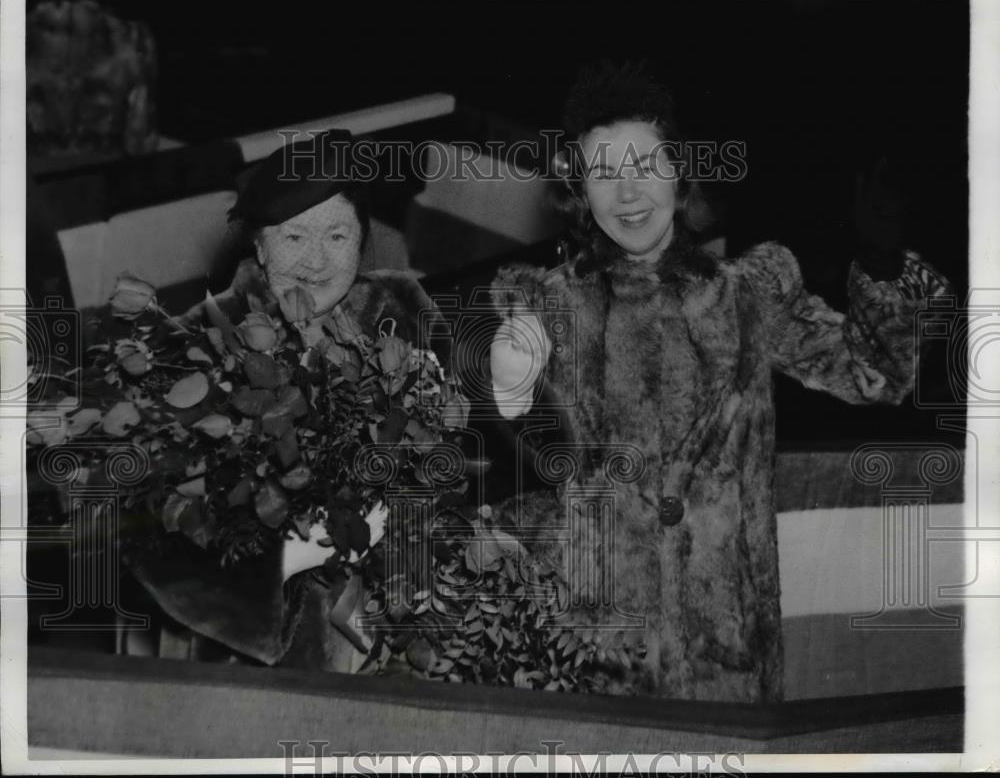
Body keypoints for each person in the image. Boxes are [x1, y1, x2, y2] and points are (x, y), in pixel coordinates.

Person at [485, 62, 950, 702]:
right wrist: (511, 375)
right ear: (579, 191)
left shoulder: (749, 296)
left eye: (645, 167)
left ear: (680, 175)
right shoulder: (548, 305)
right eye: (605, 174)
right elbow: (508, 415)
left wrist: (877, 263)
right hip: (595, 652)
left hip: (725, 653)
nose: (627, 193)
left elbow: (875, 378)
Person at [130, 129, 450, 671]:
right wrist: (288, 558)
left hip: (403, 623)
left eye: (337, 237)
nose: (317, 261)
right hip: (266, 651)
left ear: (362, 241)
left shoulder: (404, 311)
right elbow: (149, 528)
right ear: (258, 245)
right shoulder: (202, 344)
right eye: (294, 238)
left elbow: (477, 454)